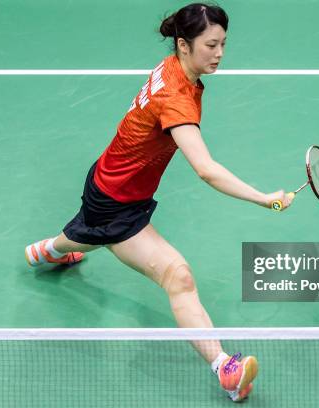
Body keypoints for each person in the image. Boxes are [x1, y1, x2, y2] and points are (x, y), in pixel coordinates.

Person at [25, 2, 293, 402]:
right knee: (178, 277)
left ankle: (47, 250)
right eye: (210, 45)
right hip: (116, 201)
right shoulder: (177, 99)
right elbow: (205, 168)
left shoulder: (172, 66)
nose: (219, 54)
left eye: (223, 44)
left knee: (87, 234)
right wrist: (262, 199)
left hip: (110, 181)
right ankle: (225, 369)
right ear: (184, 44)